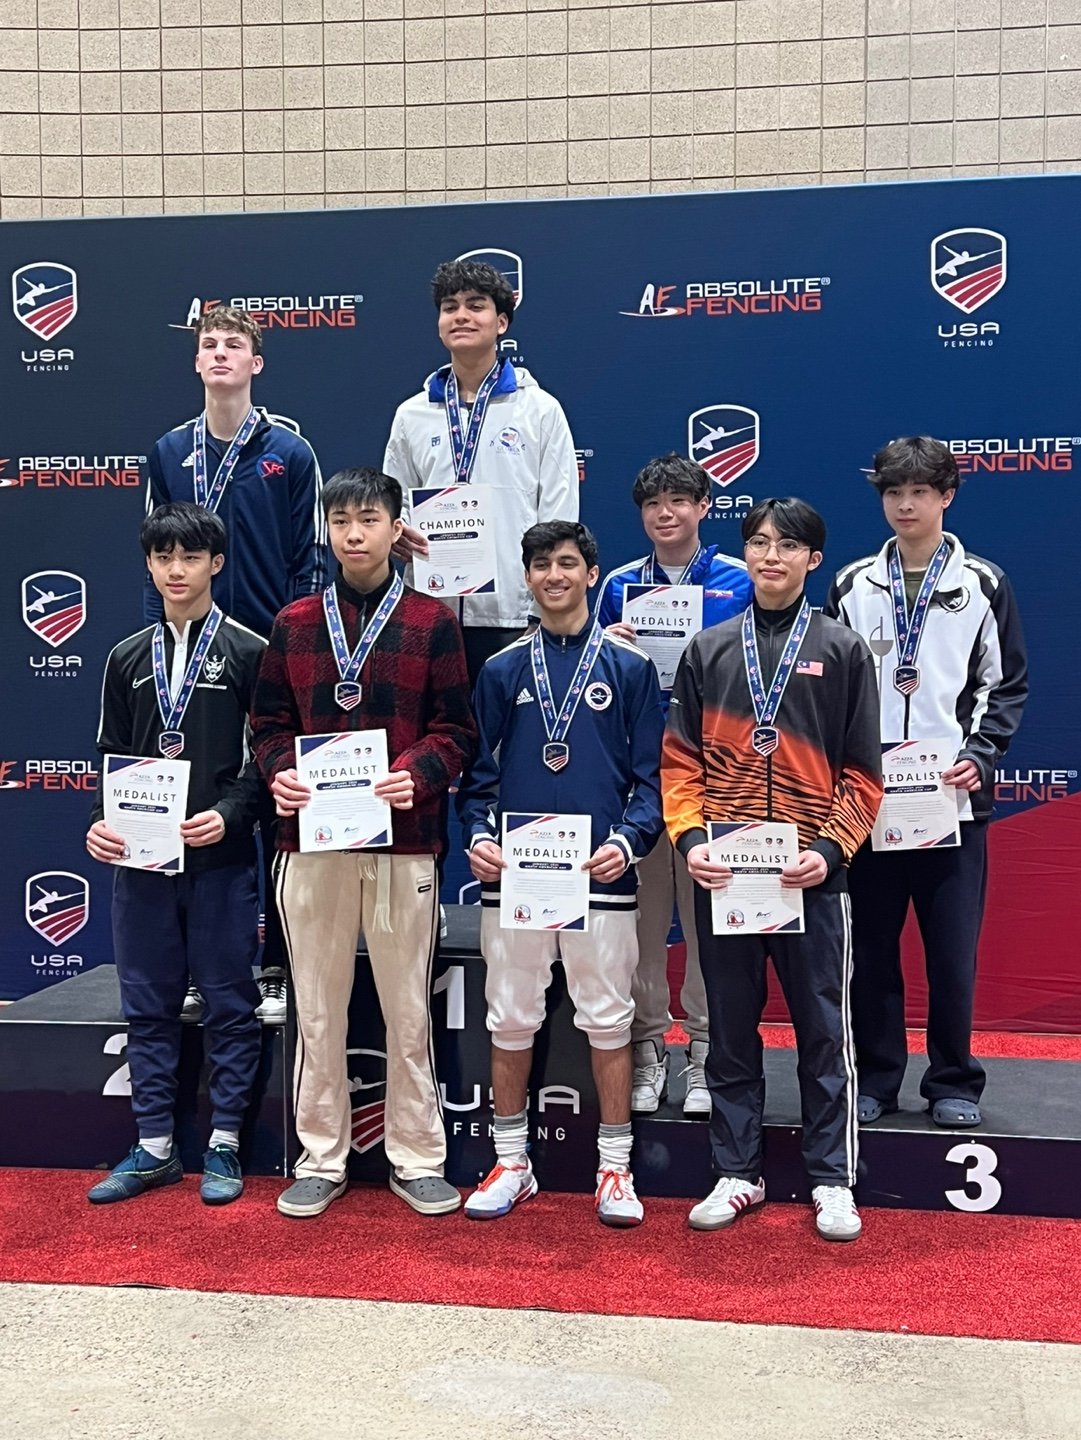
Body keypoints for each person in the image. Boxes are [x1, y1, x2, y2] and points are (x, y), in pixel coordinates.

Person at [250, 467, 477, 1219]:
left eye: (369, 519)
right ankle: (321, 1158)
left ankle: (418, 1158)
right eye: (341, 520)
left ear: (394, 527)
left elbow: (457, 732)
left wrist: (417, 774)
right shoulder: (293, 623)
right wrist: (280, 774)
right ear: (326, 530)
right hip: (309, 843)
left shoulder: (432, 622)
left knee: (408, 1011)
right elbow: (267, 727)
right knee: (317, 1010)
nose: (354, 533)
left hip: (404, 843)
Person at [663, 498, 883, 1241]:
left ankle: (832, 1179)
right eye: (758, 543)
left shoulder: (843, 650)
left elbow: (864, 770)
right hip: (727, 876)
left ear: (812, 560)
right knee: (729, 1029)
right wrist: (690, 839)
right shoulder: (708, 649)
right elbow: (679, 761)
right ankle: (737, 1170)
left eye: (787, 546)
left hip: (810, 875)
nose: (770, 556)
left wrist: (830, 849)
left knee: (823, 1031)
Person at [457, 520, 664, 1227]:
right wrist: (477, 837)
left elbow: (652, 779)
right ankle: (511, 1163)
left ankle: (615, 1169)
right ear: (527, 576)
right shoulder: (500, 670)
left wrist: (630, 842)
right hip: (516, 878)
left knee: (608, 1019)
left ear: (590, 573)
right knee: (510, 1016)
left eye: (568, 563)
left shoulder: (629, 668)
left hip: (598, 872)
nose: (554, 575)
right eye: (541, 564)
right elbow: (476, 780)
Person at [824, 437, 1027, 1129]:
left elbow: (1004, 683)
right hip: (871, 805)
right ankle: (877, 1076)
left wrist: (981, 753)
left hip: (951, 800)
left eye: (918, 491)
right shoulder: (852, 585)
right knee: (871, 951)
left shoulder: (983, 584)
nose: (904, 504)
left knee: (950, 954)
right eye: (892, 491)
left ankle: (953, 1080)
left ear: (947, 496)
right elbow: (836, 688)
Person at [145, 304, 326, 1025]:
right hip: (190, 657)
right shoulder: (168, 451)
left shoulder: (291, 453)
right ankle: (199, 970)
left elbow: (308, 560)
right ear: (197, 361)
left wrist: (298, 648)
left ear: (256, 363)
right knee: (198, 807)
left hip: (269, 653)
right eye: (209, 344)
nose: (220, 353)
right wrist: (163, 643)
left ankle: (277, 967)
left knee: (278, 810)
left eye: (234, 345)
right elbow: (153, 553)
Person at [85, 502, 266, 1206]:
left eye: (190, 557)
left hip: (220, 863)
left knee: (230, 1003)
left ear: (215, 563)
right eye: (164, 558)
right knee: (148, 1004)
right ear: (149, 565)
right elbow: (110, 757)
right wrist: (100, 823)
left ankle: (224, 1144)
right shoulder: (126, 657)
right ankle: (155, 1146)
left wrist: (229, 816)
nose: (176, 570)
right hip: (143, 864)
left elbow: (265, 762)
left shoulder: (250, 652)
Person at [597, 453, 752, 1117]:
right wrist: (609, 645)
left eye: (679, 501)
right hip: (641, 773)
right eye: (653, 504)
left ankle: (707, 1052)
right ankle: (648, 1047)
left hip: (715, 771)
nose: (665, 513)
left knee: (708, 920)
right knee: (642, 922)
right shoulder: (617, 585)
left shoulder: (740, 578)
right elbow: (595, 680)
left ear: (703, 507)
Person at [382, 258, 579, 682]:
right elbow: (394, 502)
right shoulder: (411, 414)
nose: (461, 316)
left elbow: (559, 515)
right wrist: (397, 532)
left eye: (476, 305)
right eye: (450, 307)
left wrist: (542, 606)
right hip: (430, 608)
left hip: (512, 611)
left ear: (501, 322)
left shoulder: (539, 410)